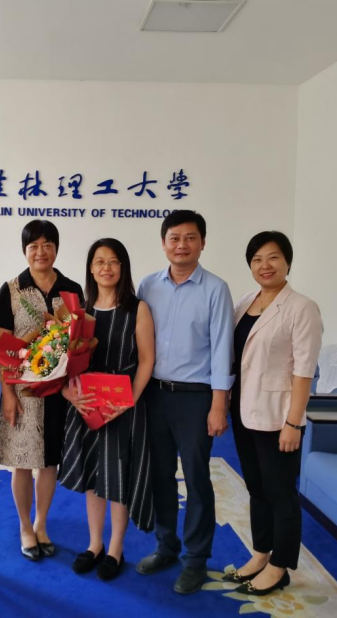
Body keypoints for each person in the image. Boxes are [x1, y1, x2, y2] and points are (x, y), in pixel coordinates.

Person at [136, 209, 234, 595]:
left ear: (202, 243)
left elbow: (223, 348)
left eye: (190, 238)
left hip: (196, 398)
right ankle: (166, 546)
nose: (182, 245)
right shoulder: (147, 286)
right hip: (154, 395)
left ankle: (196, 559)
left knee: (196, 478)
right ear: (163, 243)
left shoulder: (216, 289)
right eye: (174, 238)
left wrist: (218, 404)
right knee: (159, 475)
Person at [223, 231, 322, 596]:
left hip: (279, 417)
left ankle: (280, 566)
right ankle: (261, 553)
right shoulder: (245, 302)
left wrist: (293, 422)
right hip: (244, 411)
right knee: (256, 487)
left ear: (287, 262)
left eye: (273, 257)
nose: (265, 266)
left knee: (280, 492)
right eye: (257, 259)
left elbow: (304, 371)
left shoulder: (302, 307)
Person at [59, 238, 155, 581]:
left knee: (117, 476)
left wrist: (128, 400)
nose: (106, 268)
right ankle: (94, 544)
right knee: (92, 477)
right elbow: (62, 364)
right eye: (99, 261)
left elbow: (147, 360)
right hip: (86, 406)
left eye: (113, 261)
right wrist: (69, 395)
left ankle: (115, 548)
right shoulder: (78, 313)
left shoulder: (137, 309)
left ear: (122, 267)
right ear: (90, 268)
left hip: (122, 406)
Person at [0, 219, 84, 560]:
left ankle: (41, 523)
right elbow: (3, 347)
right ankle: (24, 526)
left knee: (49, 462)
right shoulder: (11, 290)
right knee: (21, 461)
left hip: (59, 392)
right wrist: (8, 394)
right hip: (23, 392)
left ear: (56, 249)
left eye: (47, 245)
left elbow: (78, 339)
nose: (40, 252)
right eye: (33, 246)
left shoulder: (72, 289)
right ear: (24, 250)